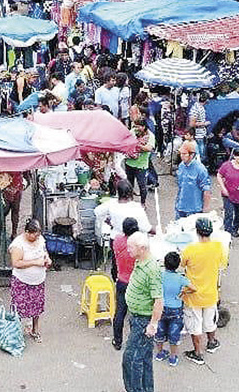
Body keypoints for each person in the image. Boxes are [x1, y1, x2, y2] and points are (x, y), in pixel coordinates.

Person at [180, 218, 226, 365]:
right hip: (211, 293)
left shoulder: (190, 250)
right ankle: (212, 341)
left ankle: (197, 352)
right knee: (209, 320)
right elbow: (223, 264)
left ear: (197, 231)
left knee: (195, 324)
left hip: (193, 294)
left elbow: (181, 264)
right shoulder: (218, 247)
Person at [121, 232, 163, 392]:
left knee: (131, 360)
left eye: (131, 247)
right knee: (144, 359)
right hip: (137, 318)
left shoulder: (152, 269)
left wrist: (153, 324)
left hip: (143, 321)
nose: (128, 250)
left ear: (142, 248)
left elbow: (159, 300)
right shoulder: (141, 261)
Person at [8, 219, 51, 341]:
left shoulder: (40, 239)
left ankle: (35, 329)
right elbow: (16, 263)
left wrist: (47, 259)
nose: (37, 238)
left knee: (36, 306)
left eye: (38, 235)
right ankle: (15, 332)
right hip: (22, 281)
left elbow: (44, 251)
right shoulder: (18, 244)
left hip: (38, 280)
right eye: (34, 235)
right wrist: (35, 262)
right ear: (27, 232)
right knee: (19, 306)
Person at [110, 217, 141, 351]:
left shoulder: (117, 241)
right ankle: (136, 342)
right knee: (137, 314)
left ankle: (117, 341)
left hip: (122, 281)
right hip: (137, 282)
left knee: (120, 313)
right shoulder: (140, 246)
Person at [153, 251, 188, 368]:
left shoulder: (160, 275)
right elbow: (193, 288)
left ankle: (160, 353)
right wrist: (183, 293)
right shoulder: (180, 278)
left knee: (160, 330)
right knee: (174, 333)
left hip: (161, 307)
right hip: (176, 309)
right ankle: (173, 357)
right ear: (178, 265)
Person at [174, 141, 211, 221]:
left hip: (194, 209)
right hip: (180, 207)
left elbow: (206, 190)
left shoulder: (200, 169)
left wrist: (205, 208)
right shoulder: (181, 166)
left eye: (184, 154)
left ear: (192, 155)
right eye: (181, 154)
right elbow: (180, 186)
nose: (182, 156)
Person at [124, 125, 154, 206]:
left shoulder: (150, 136)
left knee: (142, 185)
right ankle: (130, 201)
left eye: (138, 126)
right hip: (129, 163)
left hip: (141, 165)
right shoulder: (133, 131)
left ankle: (143, 203)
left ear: (144, 127)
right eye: (135, 126)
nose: (136, 128)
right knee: (129, 184)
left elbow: (149, 148)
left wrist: (136, 145)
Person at [188, 93, 210, 162]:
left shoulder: (200, 107)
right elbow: (192, 124)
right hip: (198, 135)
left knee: (202, 154)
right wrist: (204, 124)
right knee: (200, 155)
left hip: (202, 134)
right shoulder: (195, 108)